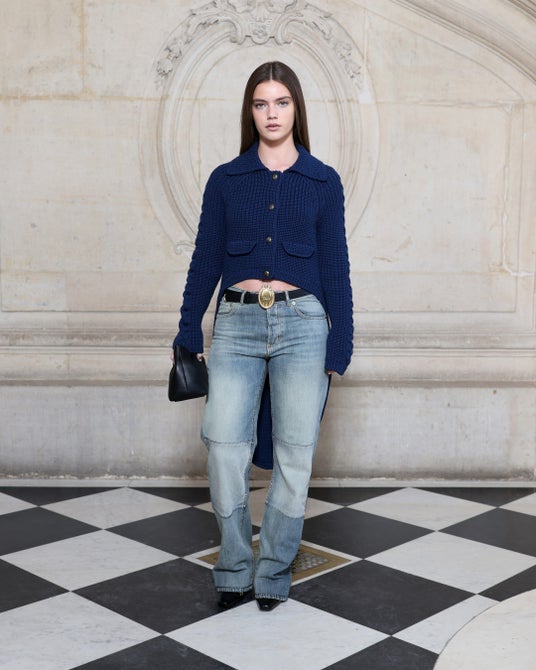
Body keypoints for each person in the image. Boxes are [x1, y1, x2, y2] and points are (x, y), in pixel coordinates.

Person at [172, 61, 353, 611]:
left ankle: (273, 571)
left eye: (281, 102)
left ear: (296, 108)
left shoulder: (323, 181)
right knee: (224, 446)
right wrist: (188, 326)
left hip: (304, 326)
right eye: (260, 103)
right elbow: (205, 258)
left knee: (296, 453)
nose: (271, 113)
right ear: (249, 112)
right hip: (236, 323)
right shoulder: (226, 180)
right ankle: (234, 567)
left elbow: (336, 265)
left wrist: (341, 339)